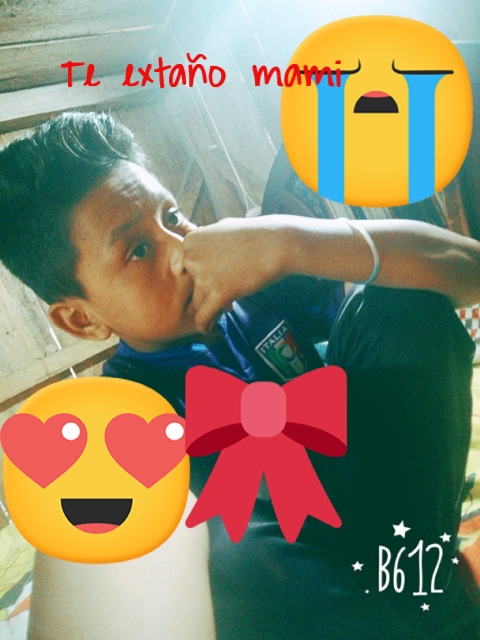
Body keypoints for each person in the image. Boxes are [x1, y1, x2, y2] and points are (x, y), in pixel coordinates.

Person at [0, 111, 479, 639]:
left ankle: (419, 579)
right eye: (138, 250)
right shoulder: (130, 420)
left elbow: (469, 270)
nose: (180, 249)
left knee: (403, 306)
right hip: (314, 586)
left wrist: (290, 243)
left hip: (391, 531)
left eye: (173, 215)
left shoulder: (254, 291)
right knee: (209, 535)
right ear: (82, 319)